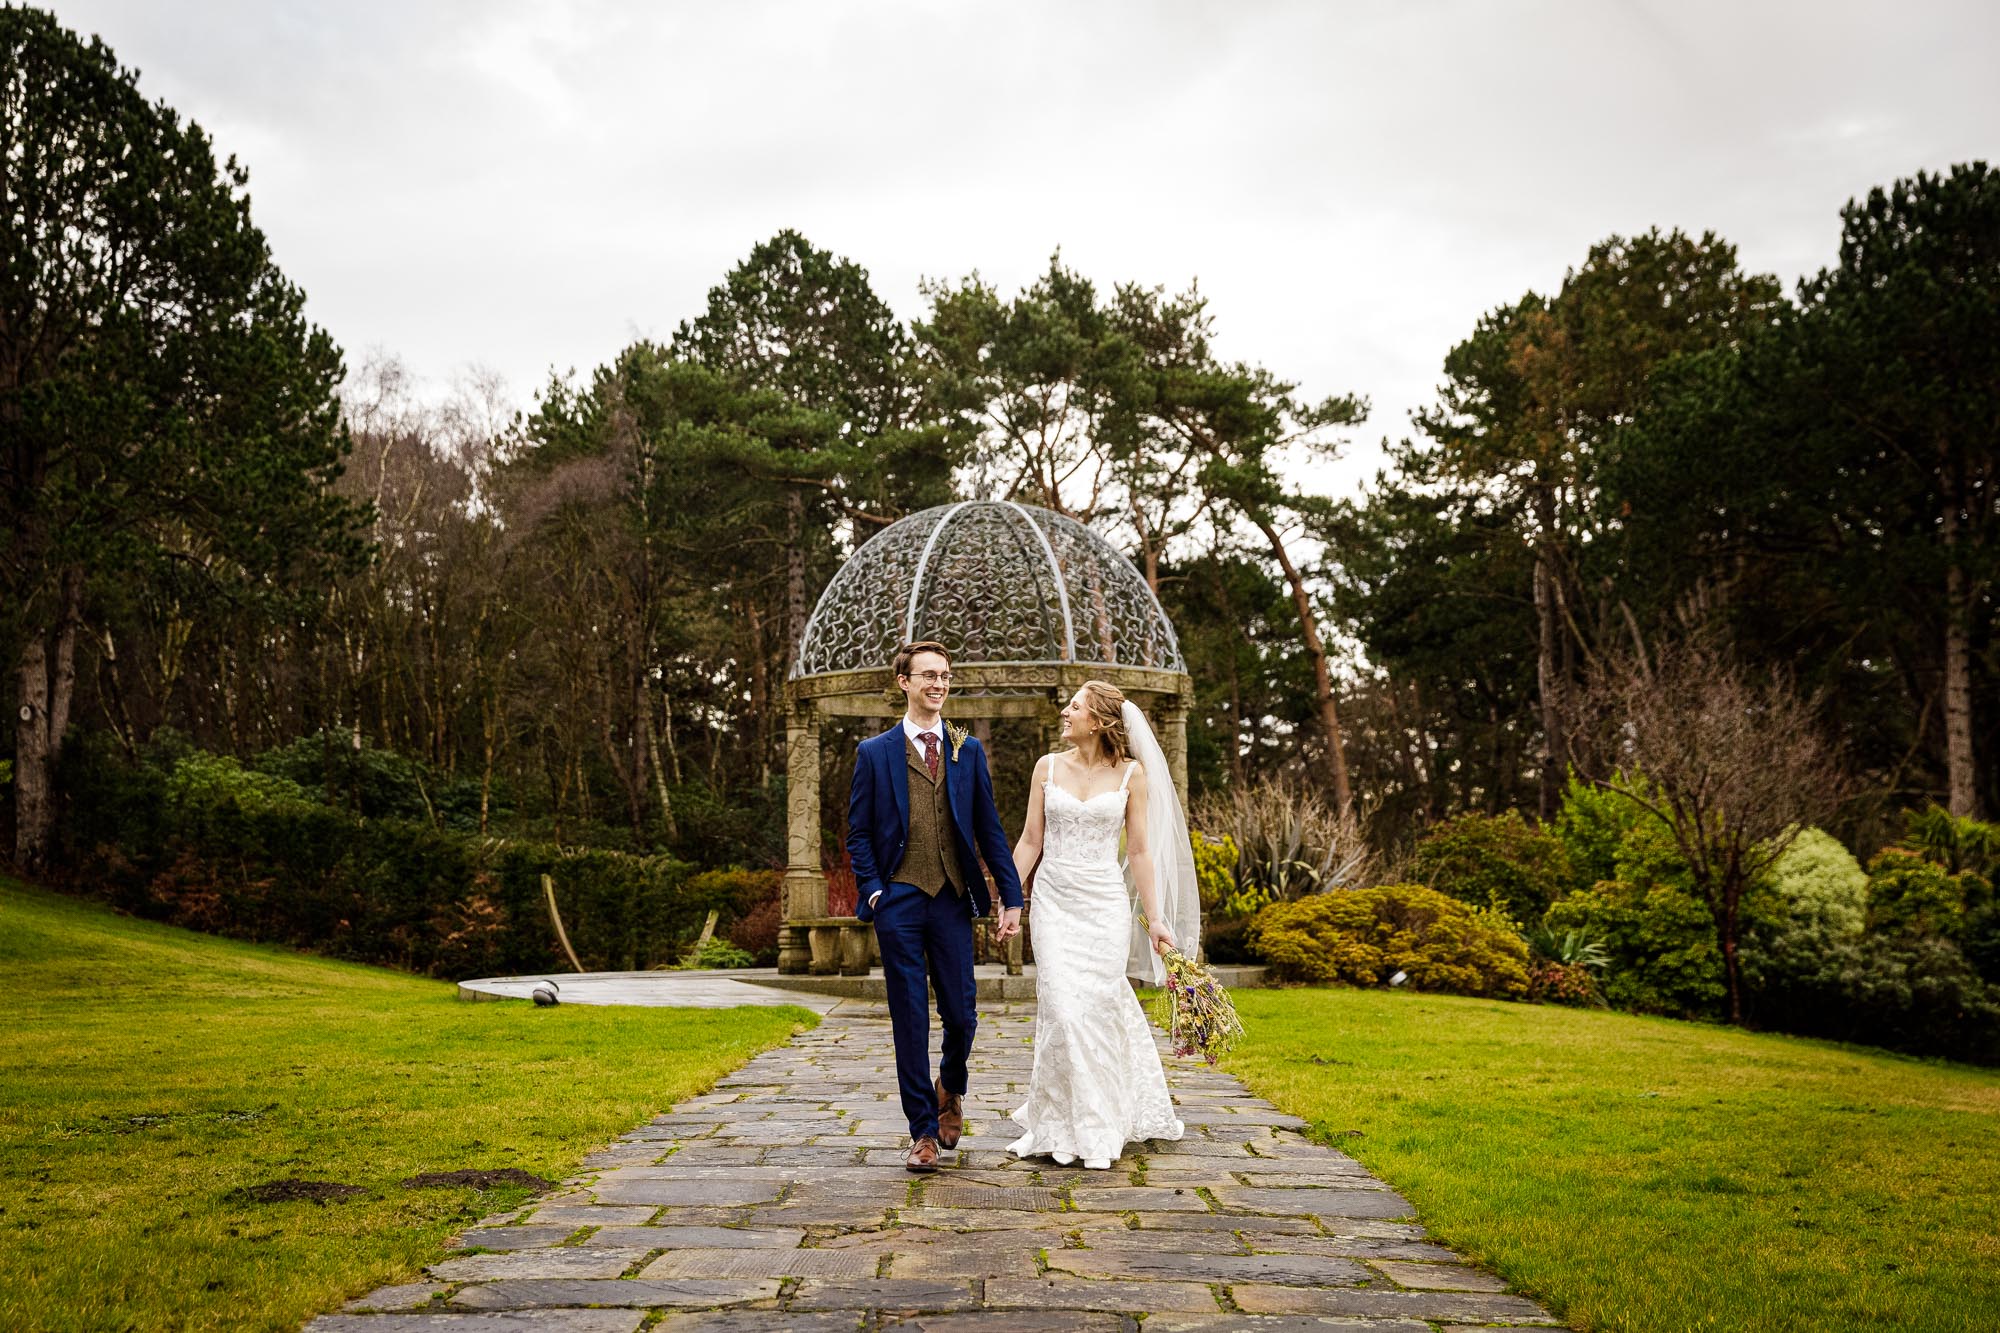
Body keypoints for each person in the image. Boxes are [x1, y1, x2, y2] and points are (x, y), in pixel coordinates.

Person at [849, 641, 1025, 1173]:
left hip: (951, 898)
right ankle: (922, 1131)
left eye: (945, 675)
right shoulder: (874, 752)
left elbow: (989, 828)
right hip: (898, 900)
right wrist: (874, 890)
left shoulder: (966, 750)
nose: (939, 684)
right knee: (909, 1016)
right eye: (928, 675)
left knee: (963, 1014)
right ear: (904, 682)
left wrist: (1011, 897)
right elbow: (858, 833)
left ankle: (951, 1084)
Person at [1005, 680, 1194, 1169]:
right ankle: (1062, 1123)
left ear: (1099, 721)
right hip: (1054, 903)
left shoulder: (1132, 774)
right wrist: (1007, 896)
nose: (1065, 713)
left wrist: (1156, 920)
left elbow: (1140, 851)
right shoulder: (1047, 767)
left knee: (1099, 1008)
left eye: (1075, 707)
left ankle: (1100, 1123)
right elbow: (1029, 840)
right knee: (1063, 1010)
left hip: (1104, 906)